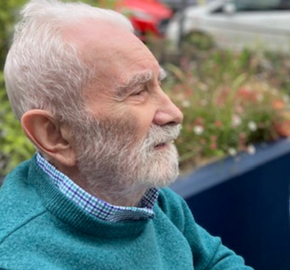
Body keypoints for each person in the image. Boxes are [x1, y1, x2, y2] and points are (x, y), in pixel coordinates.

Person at [0, 0, 253, 269]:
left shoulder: (142, 196)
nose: (174, 112)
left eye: (159, 83)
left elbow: (216, 261)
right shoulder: (19, 258)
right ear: (54, 135)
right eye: (137, 92)